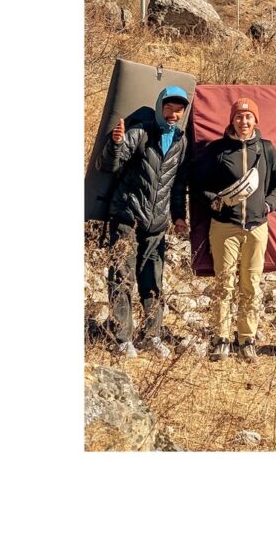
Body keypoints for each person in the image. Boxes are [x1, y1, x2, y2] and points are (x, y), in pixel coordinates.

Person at [98, 86, 190, 358]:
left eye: (178, 110)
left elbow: (177, 186)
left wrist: (178, 216)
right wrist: (115, 144)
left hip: (157, 225)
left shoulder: (181, 142)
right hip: (127, 217)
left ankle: (152, 336)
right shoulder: (140, 132)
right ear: (160, 106)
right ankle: (122, 337)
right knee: (122, 278)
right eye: (169, 108)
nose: (173, 114)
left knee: (153, 281)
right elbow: (109, 165)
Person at [201, 98, 276, 361]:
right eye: (239, 117)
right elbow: (200, 185)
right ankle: (221, 338)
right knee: (224, 284)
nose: (244, 121)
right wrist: (215, 202)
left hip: (256, 228)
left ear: (256, 121)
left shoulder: (266, 149)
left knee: (251, 284)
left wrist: (267, 206)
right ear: (232, 120)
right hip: (224, 227)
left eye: (249, 117)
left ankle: (246, 339)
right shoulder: (217, 150)